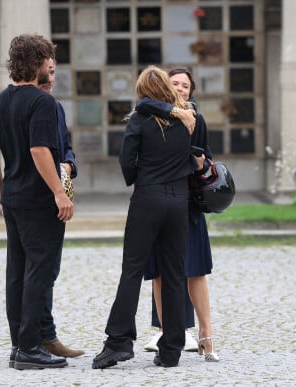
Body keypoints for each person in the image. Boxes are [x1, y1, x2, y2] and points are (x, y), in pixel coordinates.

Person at [92, 65, 205, 369]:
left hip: (147, 198)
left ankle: (118, 343)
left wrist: (138, 177)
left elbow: (126, 161)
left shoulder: (140, 119)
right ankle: (171, 349)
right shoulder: (191, 118)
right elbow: (198, 155)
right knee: (173, 273)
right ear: (167, 90)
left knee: (132, 270)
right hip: (178, 201)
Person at [0, 34, 73, 370]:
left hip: (14, 199)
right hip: (38, 201)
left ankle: (18, 345)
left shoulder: (0, 101)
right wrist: (59, 192)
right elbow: (39, 150)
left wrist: (1, 191)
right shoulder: (43, 103)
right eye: (46, 61)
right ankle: (31, 347)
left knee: (17, 272)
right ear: (37, 63)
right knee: (40, 272)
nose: (50, 70)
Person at [135, 67, 220, 362]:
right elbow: (141, 102)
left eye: (185, 85)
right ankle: (167, 333)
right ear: (165, 87)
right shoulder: (149, 114)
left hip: (189, 205)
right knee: (159, 271)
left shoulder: (196, 118)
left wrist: (198, 162)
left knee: (195, 271)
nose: (181, 88)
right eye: (175, 84)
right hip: (159, 202)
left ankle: (207, 336)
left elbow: (206, 157)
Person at [37, 59, 83, 359]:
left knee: (49, 270)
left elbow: (66, 145)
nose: (52, 78)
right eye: (48, 71)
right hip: (39, 197)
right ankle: (39, 338)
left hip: (57, 195)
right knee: (40, 271)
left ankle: (45, 335)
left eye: (54, 72)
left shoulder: (55, 107)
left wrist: (69, 163)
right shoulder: (33, 105)